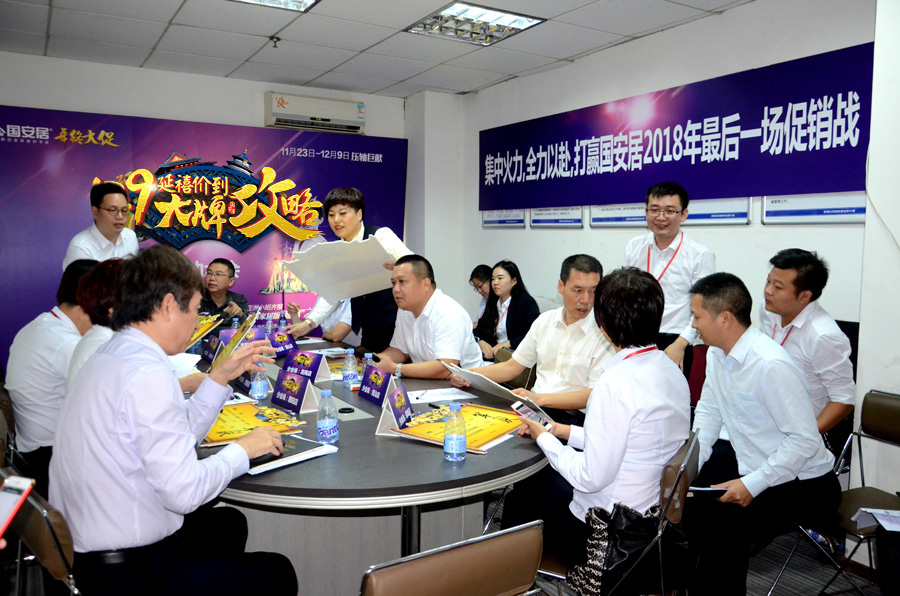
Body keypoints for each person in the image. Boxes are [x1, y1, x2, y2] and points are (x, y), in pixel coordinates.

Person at [49, 246, 297, 596]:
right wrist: (243, 450)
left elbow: (177, 437)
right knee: (277, 573)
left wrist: (218, 377)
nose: (197, 323)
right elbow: (186, 493)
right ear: (168, 306)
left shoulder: (114, 353)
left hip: (90, 549)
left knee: (229, 524)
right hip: (124, 571)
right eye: (194, 310)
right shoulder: (146, 372)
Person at [514, 267, 690, 588]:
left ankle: (512, 575)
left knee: (529, 492)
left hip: (610, 530)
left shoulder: (614, 384)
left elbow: (590, 477)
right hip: (653, 517)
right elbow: (629, 440)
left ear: (603, 325)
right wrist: (560, 431)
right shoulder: (670, 369)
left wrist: (545, 441)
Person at [686, 272, 840, 596]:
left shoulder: (770, 364)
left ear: (724, 318)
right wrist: (689, 466)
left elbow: (804, 441)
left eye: (697, 316)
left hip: (807, 483)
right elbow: (709, 414)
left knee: (724, 529)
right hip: (757, 465)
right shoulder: (716, 353)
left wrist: (752, 484)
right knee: (691, 512)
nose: (693, 325)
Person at [452, 254, 614, 426]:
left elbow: (594, 394)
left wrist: (539, 399)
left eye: (593, 291)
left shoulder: (605, 332)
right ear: (561, 286)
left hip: (572, 419)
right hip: (535, 409)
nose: (586, 300)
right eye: (578, 290)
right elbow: (512, 367)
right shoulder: (545, 321)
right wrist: (466, 375)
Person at [5, 259, 96, 497]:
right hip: (50, 459)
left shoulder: (38, 325)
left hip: (27, 450)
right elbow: (113, 396)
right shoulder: (66, 345)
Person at [288, 187, 412, 352]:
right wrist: (309, 324)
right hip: (369, 331)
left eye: (343, 213)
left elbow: (417, 267)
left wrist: (402, 267)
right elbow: (333, 292)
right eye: (331, 215)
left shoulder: (381, 236)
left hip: (398, 327)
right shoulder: (338, 250)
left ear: (359, 214)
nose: (336, 220)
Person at [68, 259, 206, 393]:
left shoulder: (102, 339)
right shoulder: (110, 346)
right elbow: (146, 396)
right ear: (114, 308)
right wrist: (186, 384)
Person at [759, 248, 855, 435]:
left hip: (796, 430)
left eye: (778, 287)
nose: (767, 291)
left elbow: (844, 399)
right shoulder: (769, 310)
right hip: (765, 419)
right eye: (768, 281)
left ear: (804, 296)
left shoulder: (823, 336)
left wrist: (805, 439)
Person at [624, 181, 715, 377]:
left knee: (669, 395)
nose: (661, 217)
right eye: (654, 210)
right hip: (637, 337)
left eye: (670, 211)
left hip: (675, 340)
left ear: (684, 214)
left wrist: (681, 344)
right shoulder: (634, 247)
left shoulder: (700, 255)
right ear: (646, 212)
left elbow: (704, 307)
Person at [375, 255, 483, 379]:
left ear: (426, 284)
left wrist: (395, 368)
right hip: (427, 383)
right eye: (393, 283)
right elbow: (400, 350)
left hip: (466, 386)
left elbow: (445, 368)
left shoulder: (447, 312)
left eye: (402, 282)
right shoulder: (404, 311)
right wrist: (378, 360)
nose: (395, 289)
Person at [62, 181, 139, 270]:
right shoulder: (80, 248)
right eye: (112, 210)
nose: (120, 217)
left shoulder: (130, 236)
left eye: (124, 211)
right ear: (95, 212)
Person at [474, 260, 540, 359]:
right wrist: (481, 342)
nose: (495, 283)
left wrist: (509, 343)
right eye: (493, 279)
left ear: (514, 281)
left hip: (517, 358)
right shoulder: (493, 303)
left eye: (500, 278)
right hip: (494, 358)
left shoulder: (525, 302)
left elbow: (537, 333)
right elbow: (478, 330)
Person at [199, 258, 249, 323]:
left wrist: (240, 314)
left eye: (218, 274)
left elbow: (247, 326)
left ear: (231, 281)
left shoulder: (239, 300)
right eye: (209, 273)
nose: (212, 278)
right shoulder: (196, 299)